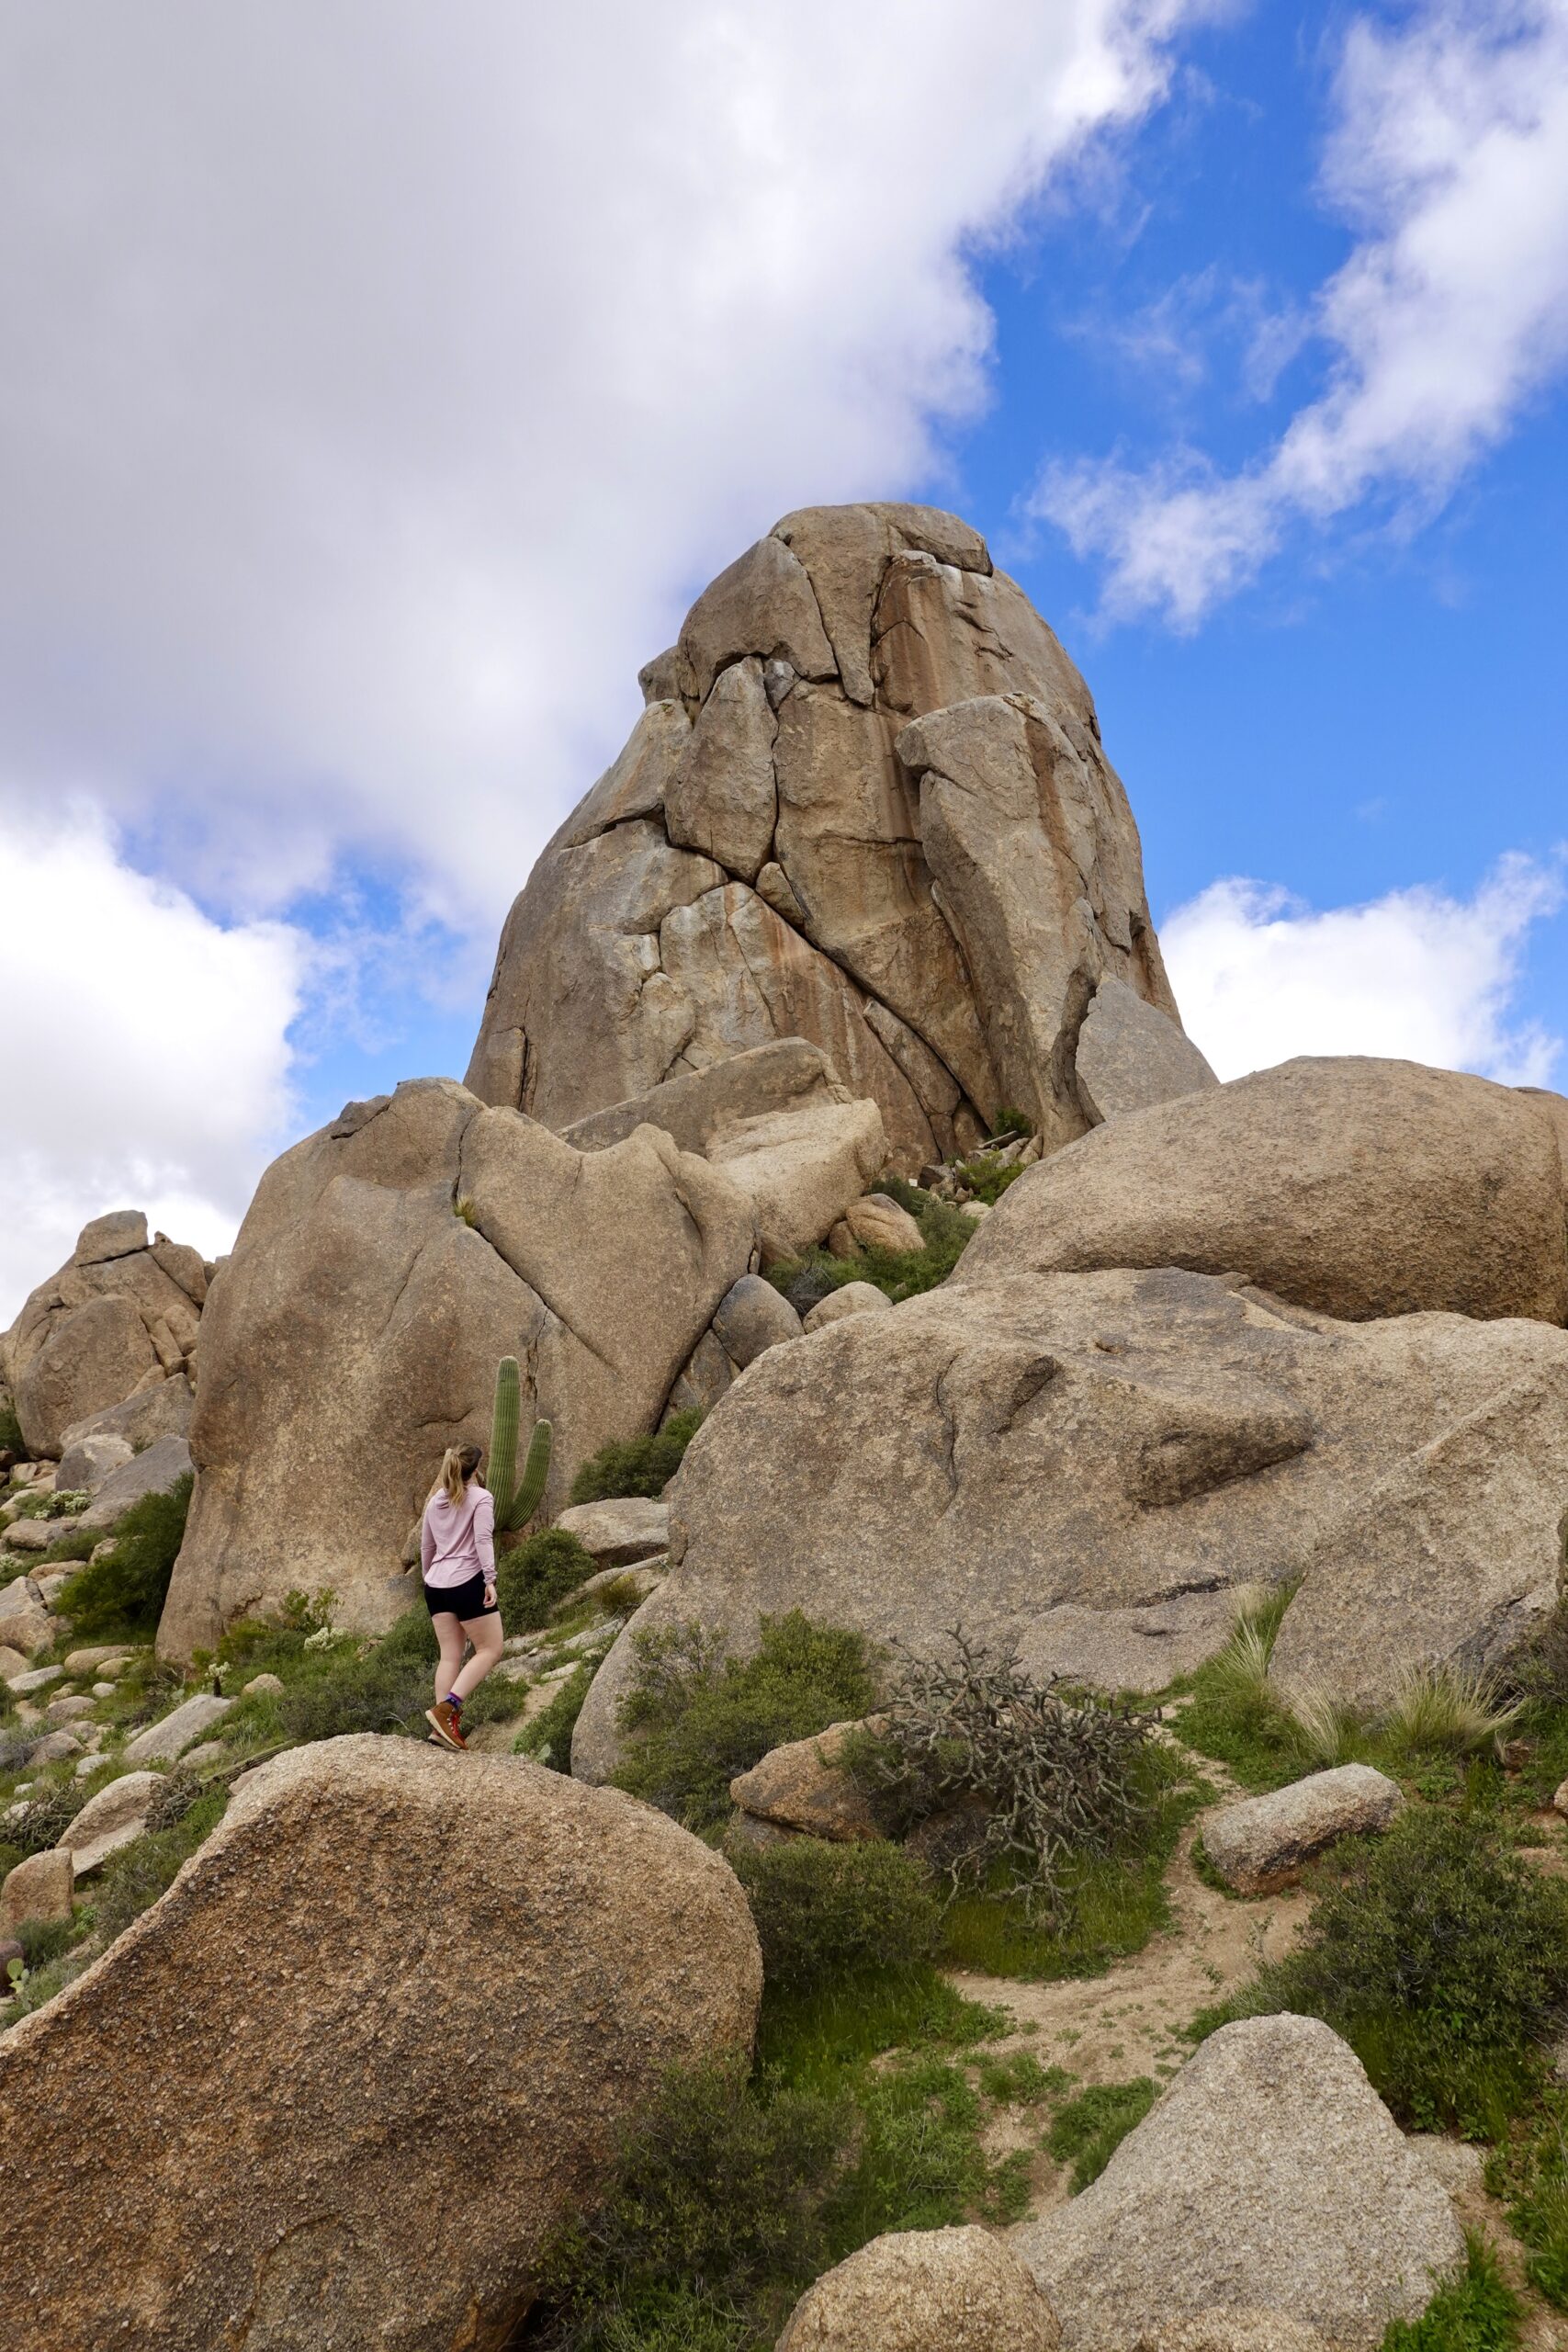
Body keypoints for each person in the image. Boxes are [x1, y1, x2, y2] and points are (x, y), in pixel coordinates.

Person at [420, 1442, 504, 1751]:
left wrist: (431, 1579)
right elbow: (482, 1539)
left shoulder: (434, 1503)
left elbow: (427, 1549)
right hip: (467, 1582)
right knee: (490, 1648)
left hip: (436, 1587)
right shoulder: (481, 1498)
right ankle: (447, 1710)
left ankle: (441, 1729)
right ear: (476, 1470)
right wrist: (490, 1580)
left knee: (450, 1656)